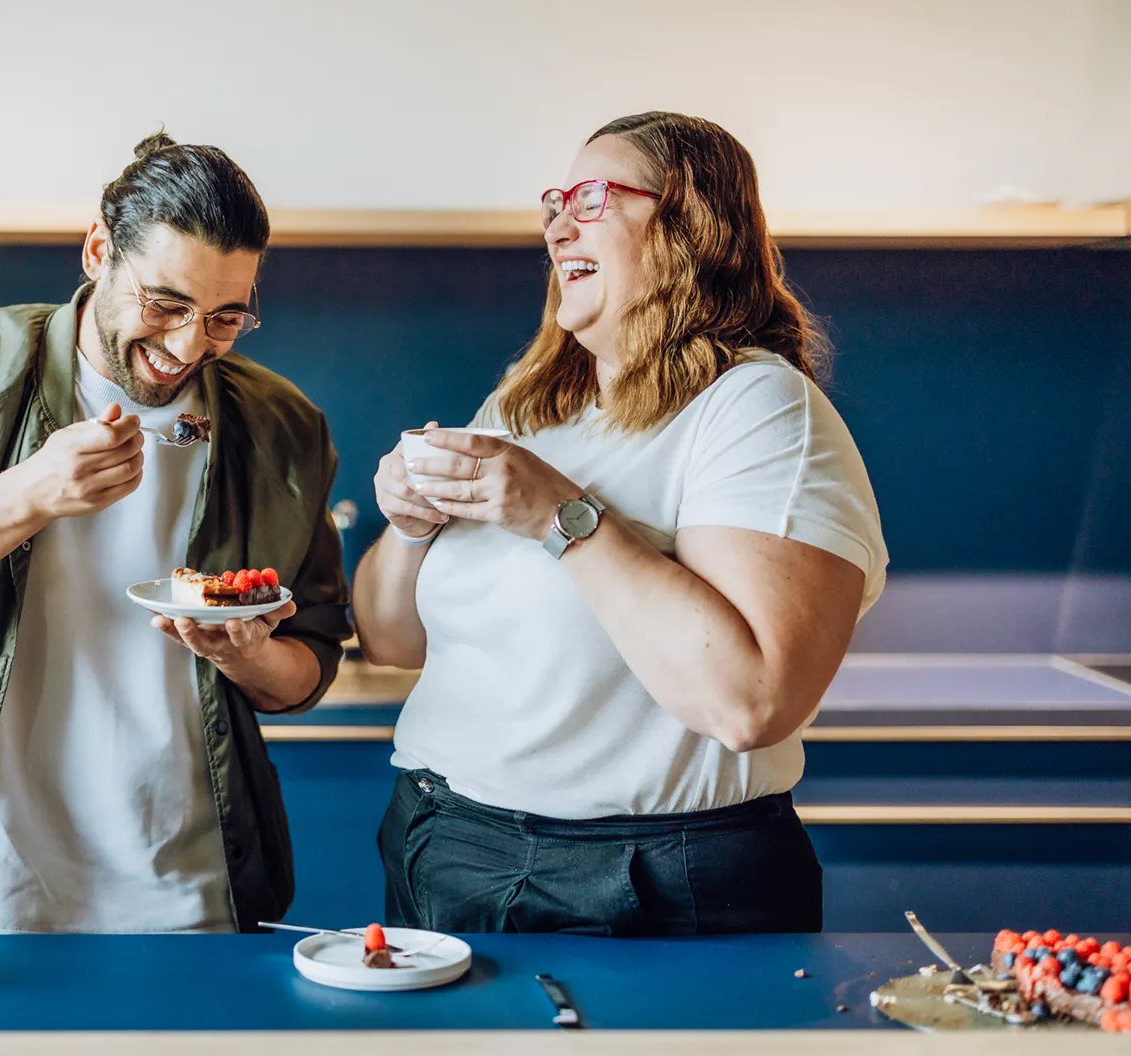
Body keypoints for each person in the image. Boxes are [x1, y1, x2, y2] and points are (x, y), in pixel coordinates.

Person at [0, 133, 351, 935]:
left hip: (193, 890)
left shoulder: (284, 428)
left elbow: (307, 669)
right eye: (164, 303)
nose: (187, 346)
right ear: (98, 249)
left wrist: (247, 653)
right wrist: (23, 496)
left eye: (225, 318)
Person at [353, 111, 888, 935]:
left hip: (645, 877)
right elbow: (394, 644)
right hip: (439, 840)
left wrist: (559, 517)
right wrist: (410, 523)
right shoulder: (526, 403)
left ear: (691, 224)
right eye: (554, 202)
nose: (556, 223)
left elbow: (749, 702)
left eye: (593, 196)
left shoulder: (755, 408)